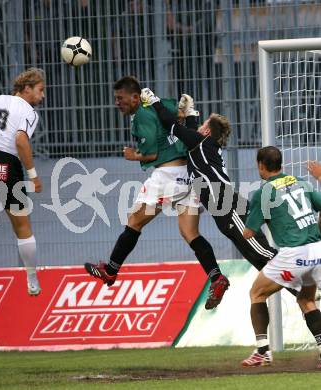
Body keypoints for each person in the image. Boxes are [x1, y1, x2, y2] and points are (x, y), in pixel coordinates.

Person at [84, 76, 229, 310]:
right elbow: (178, 113)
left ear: (135, 97)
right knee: (190, 233)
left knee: (134, 221)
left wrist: (134, 156)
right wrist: (185, 111)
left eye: (120, 98)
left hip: (167, 177)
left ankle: (110, 270)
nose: (117, 103)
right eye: (115, 99)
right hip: (189, 176)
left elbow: (151, 153)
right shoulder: (161, 103)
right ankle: (216, 277)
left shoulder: (141, 116)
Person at [140, 88, 278, 273]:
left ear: (206, 131)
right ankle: (306, 295)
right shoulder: (203, 145)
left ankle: (310, 281)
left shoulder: (202, 143)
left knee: (266, 255)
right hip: (227, 214)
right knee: (263, 265)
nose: (198, 126)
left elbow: (170, 123)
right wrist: (190, 113)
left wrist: (154, 101)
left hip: (231, 210)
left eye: (202, 124)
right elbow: (190, 131)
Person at [241, 146, 321, 368]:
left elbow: (249, 232)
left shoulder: (263, 193)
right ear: (281, 163)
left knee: (256, 293)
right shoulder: (301, 182)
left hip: (293, 253)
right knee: (306, 300)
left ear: (261, 165)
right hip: (317, 250)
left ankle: (263, 352)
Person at [0, 67, 45, 296]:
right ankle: (32, 279)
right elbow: (21, 140)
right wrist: (33, 174)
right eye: (40, 91)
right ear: (26, 88)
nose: (42, 96)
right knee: (22, 227)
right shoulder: (30, 113)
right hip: (8, 165)